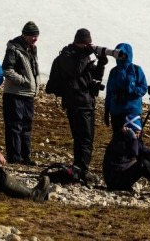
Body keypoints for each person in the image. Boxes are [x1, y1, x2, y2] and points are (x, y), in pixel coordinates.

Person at [46, 28, 107, 184]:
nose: (88, 47)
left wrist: (101, 63)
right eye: (86, 44)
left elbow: (95, 77)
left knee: (87, 138)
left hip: (87, 102)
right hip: (75, 103)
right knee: (82, 138)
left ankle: (80, 168)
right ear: (78, 42)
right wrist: (86, 55)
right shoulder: (67, 56)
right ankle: (81, 169)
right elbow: (75, 71)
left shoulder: (83, 56)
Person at [2, 20, 41, 165]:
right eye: (32, 36)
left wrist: (34, 84)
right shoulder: (14, 49)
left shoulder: (32, 49)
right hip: (14, 94)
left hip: (28, 95)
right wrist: (24, 81)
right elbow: (7, 69)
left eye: (36, 36)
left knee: (26, 126)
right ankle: (14, 157)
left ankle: (26, 157)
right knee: (15, 126)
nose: (35, 39)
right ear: (25, 35)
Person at [103, 43, 148, 133]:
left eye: (122, 54)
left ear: (128, 55)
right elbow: (109, 92)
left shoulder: (136, 69)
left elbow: (143, 88)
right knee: (118, 139)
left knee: (133, 140)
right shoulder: (114, 71)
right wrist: (107, 110)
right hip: (116, 111)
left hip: (132, 111)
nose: (120, 57)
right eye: (118, 54)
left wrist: (131, 90)